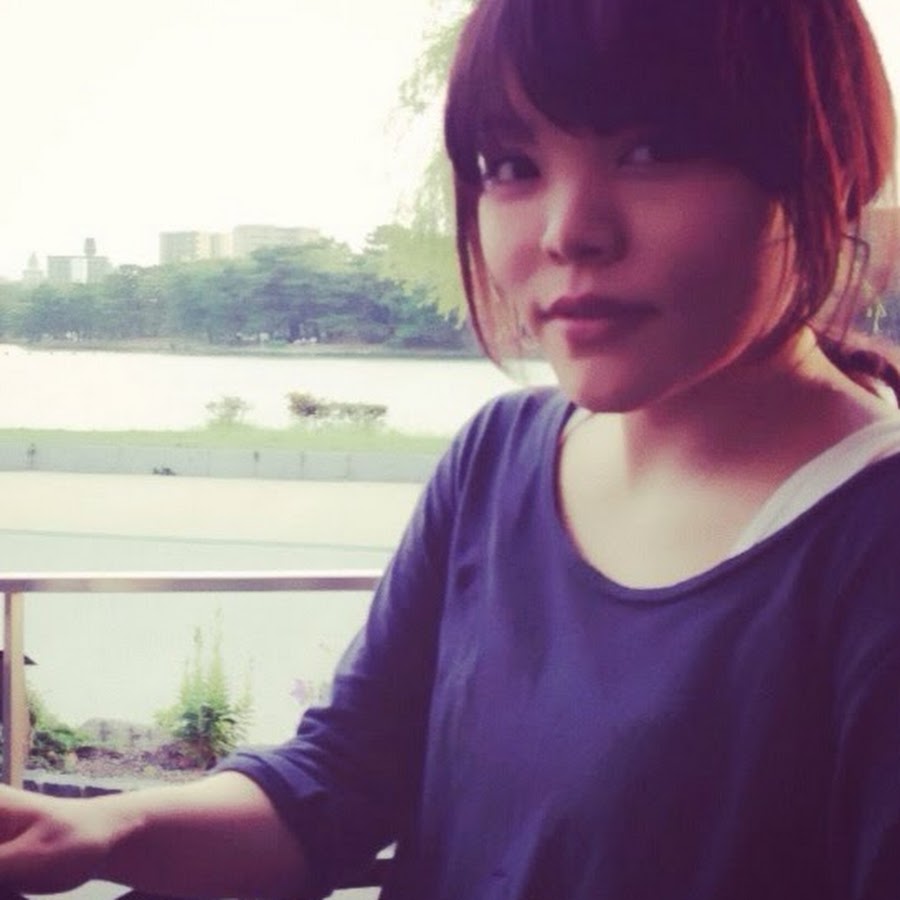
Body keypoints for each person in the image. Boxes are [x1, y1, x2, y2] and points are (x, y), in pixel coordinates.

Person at [2, 0, 900, 897]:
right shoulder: (497, 460)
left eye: (653, 149)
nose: (566, 230)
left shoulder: (872, 540)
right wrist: (105, 828)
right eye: (512, 167)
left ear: (834, 163)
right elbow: (338, 783)